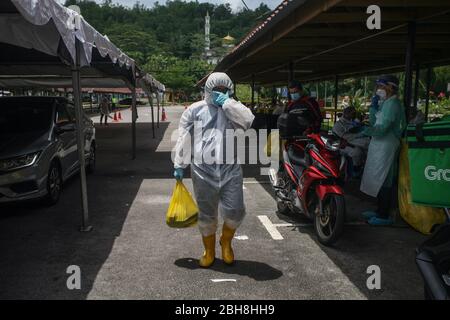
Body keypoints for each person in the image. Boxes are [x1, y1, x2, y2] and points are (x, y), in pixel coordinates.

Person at [173, 72, 255, 268]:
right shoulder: (195, 110)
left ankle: (225, 242)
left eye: (223, 90)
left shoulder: (234, 108)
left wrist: (228, 103)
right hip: (203, 170)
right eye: (215, 90)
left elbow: (248, 121)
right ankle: (209, 251)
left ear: (229, 90)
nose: (219, 93)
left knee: (235, 211)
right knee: (207, 214)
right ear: (207, 90)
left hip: (230, 168)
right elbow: (183, 136)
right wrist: (179, 164)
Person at [360, 75, 406, 226]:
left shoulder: (393, 104)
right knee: (377, 177)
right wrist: (373, 108)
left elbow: (382, 129)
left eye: (381, 86)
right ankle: (379, 210)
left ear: (391, 88)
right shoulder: (385, 103)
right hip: (379, 146)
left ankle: (384, 215)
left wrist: (365, 131)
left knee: (385, 179)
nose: (378, 90)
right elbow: (375, 122)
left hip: (387, 145)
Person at [332, 106, 370, 176]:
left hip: (351, 141)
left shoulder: (351, 121)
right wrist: (360, 134)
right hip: (342, 145)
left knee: (366, 148)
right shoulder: (338, 125)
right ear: (346, 114)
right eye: (352, 113)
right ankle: (355, 172)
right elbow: (346, 137)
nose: (353, 115)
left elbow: (355, 129)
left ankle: (365, 169)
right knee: (357, 151)